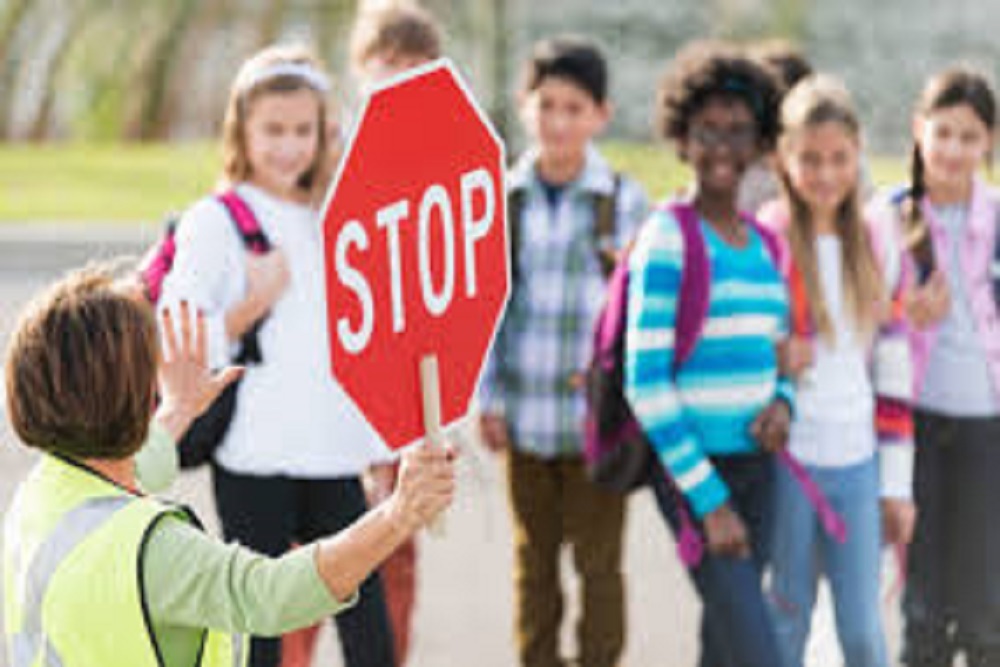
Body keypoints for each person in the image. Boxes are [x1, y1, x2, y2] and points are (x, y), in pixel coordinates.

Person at [2, 269, 455, 667]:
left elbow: (130, 468)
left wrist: (177, 411)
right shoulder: (153, 550)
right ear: (136, 396)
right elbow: (271, 596)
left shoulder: (42, 497)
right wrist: (400, 514)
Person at [159, 44, 396, 666]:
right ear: (242, 130)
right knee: (256, 629)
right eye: (272, 130)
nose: (288, 146)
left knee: (368, 627)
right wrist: (248, 305)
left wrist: (380, 444)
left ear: (324, 133)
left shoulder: (340, 217)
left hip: (335, 452)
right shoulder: (218, 220)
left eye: (302, 130)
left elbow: (361, 343)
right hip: (255, 457)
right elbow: (177, 336)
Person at [477, 35, 648, 667]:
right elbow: (486, 310)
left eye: (573, 108)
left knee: (600, 568)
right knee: (534, 566)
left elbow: (640, 316)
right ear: (525, 107)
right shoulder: (502, 199)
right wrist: (488, 398)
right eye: (545, 105)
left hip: (597, 427)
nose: (558, 122)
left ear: (600, 115)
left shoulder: (623, 201)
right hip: (523, 419)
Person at [624, 39, 790, 667]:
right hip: (696, 475)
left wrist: (784, 403)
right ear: (681, 136)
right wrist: (710, 500)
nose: (723, 148)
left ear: (759, 142)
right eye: (707, 131)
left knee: (726, 644)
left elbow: (781, 353)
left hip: (760, 467)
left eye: (738, 132)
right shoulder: (668, 236)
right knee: (758, 648)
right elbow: (646, 381)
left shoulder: (767, 244)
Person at [757, 75, 915, 667]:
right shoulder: (769, 237)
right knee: (787, 618)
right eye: (810, 159)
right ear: (783, 158)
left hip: (857, 463)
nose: (825, 174)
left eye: (839, 159)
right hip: (791, 460)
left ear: (858, 155)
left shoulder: (877, 239)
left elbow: (894, 364)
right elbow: (744, 340)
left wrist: (896, 482)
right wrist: (769, 355)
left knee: (863, 634)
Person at [876, 67, 1000, 667]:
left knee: (983, 598)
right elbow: (857, 318)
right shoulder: (888, 216)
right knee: (920, 596)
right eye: (942, 132)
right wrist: (904, 311)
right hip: (914, 424)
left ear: (990, 144)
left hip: (988, 425)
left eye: (970, 137)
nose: (953, 149)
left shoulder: (997, 217)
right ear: (918, 129)